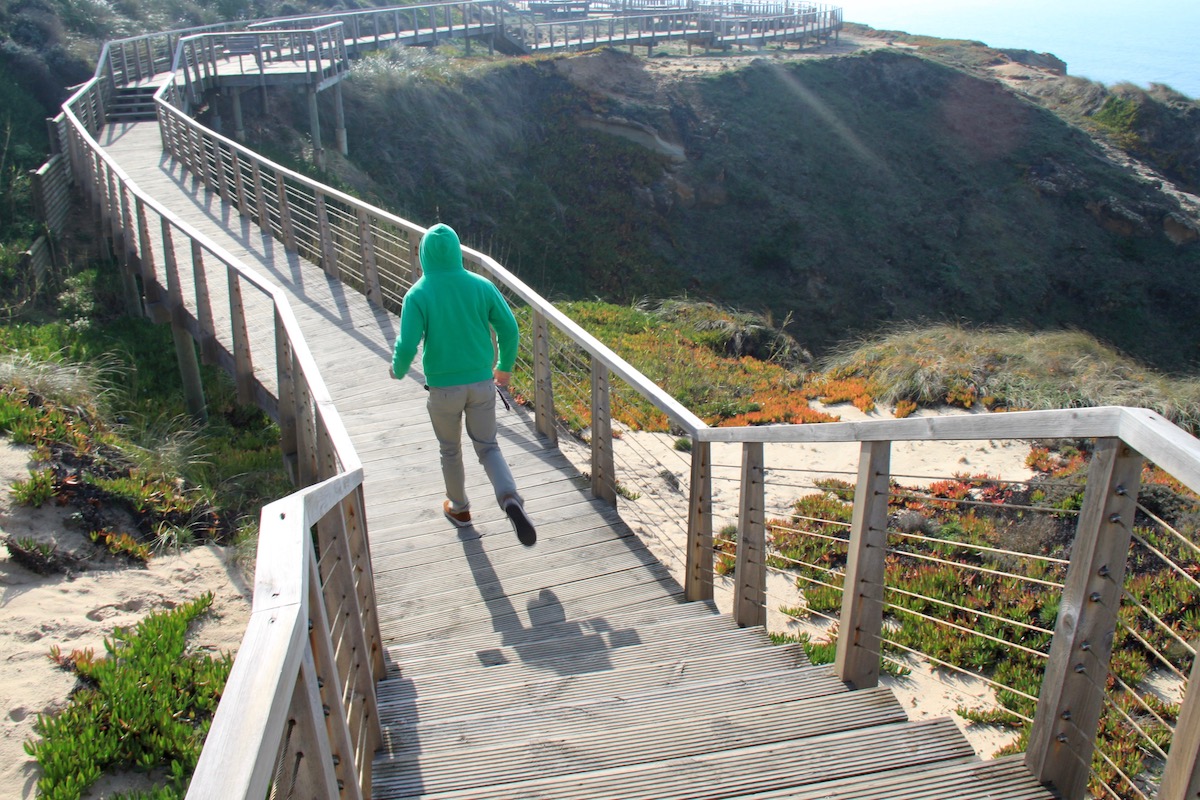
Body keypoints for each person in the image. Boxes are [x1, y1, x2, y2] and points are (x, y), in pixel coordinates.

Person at [389, 223, 536, 546]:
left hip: (443, 389)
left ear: (424, 254)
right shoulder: (480, 286)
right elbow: (509, 329)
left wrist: (397, 370)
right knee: (488, 446)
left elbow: (408, 342)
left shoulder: (418, 294)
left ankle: (459, 508)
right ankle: (510, 498)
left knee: (450, 449)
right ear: (457, 251)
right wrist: (504, 368)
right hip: (482, 383)